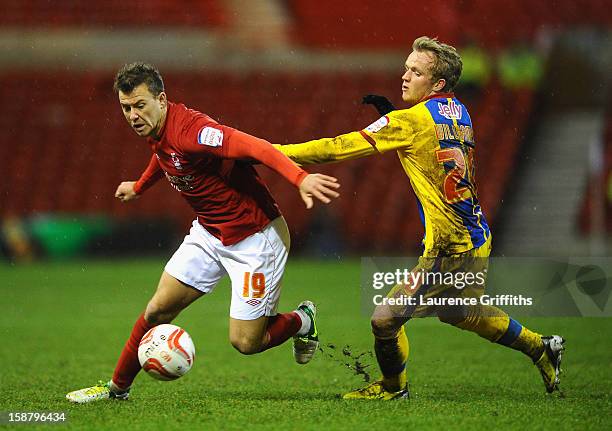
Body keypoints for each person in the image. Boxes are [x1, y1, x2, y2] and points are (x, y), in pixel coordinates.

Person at [275, 36, 565, 400]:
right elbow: (430, 144)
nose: (404, 76)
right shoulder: (458, 111)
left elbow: (337, 148)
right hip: (476, 232)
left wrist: (275, 153)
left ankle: (394, 388)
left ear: (438, 83)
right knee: (461, 312)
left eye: (416, 71)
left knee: (384, 319)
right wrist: (392, 119)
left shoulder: (410, 121)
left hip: (449, 245)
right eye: (406, 67)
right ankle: (542, 347)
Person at [66, 62, 340, 403]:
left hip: (256, 239)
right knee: (156, 311)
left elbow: (257, 147)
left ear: (161, 100)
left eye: (140, 105)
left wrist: (300, 178)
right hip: (209, 234)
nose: (133, 115)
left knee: (245, 343)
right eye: (126, 108)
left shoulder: (194, 131)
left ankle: (301, 320)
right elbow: (164, 156)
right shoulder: (159, 132)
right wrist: (139, 186)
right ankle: (116, 389)